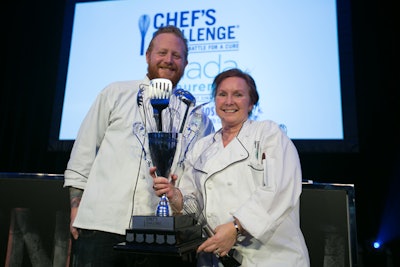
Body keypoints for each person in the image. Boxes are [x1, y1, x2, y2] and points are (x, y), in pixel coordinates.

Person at [64, 25, 214, 267]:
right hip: (101, 227)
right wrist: (76, 206)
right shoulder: (115, 93)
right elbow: (84, 152)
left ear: (186, 63)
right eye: (162, 53)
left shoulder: (197, 118)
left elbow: (197, 181)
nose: (168, 60)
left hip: (161, 236)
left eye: (176, 56)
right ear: (148, 56)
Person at [151, 68, 310, 266]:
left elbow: (278, 190)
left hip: (270, 256)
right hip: (219, 258)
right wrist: (176, 197)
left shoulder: (269, 134)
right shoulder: (202, 147)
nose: (229, 101)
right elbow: (195, 207)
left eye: (238, 95)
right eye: (222, 94)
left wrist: (236, 227)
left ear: (251, 103)